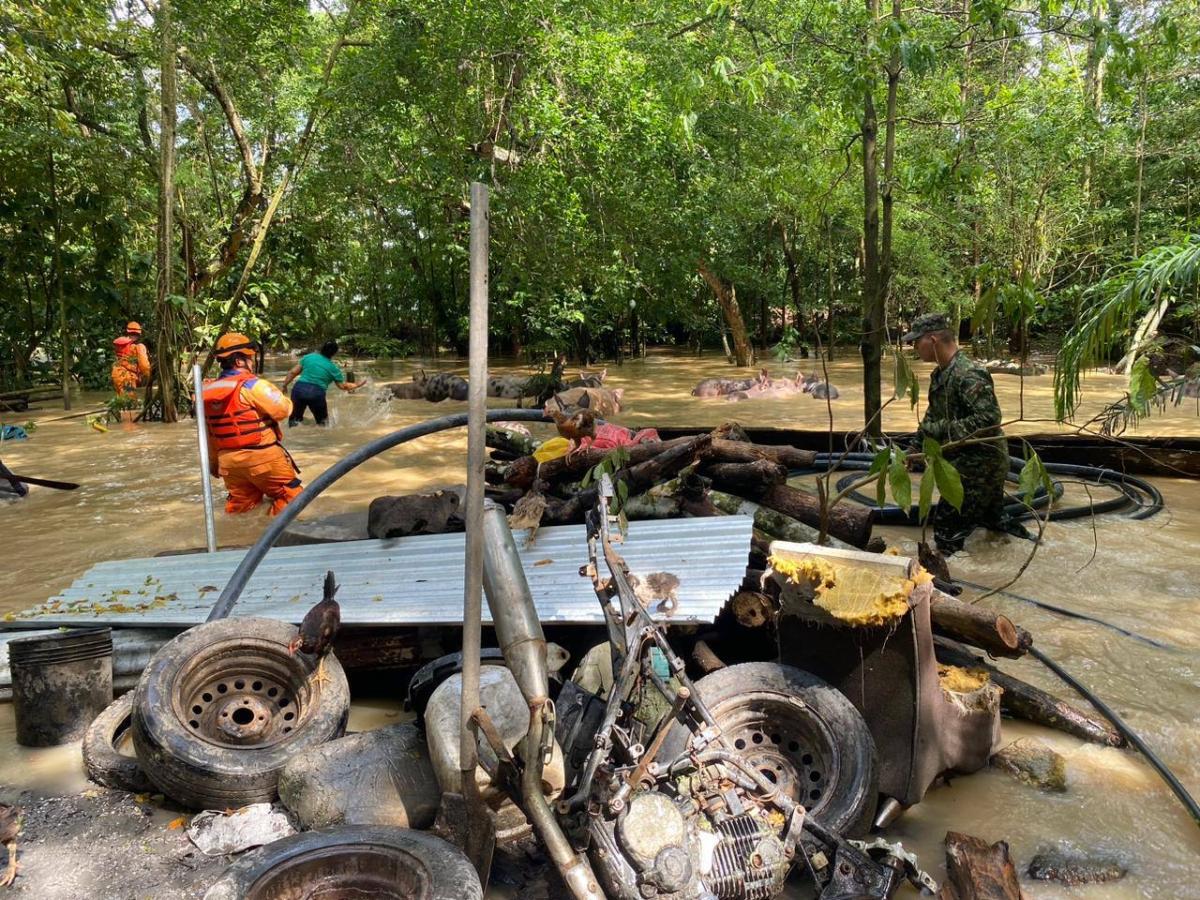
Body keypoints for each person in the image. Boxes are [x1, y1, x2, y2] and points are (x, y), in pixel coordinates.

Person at [903, 312, 1025, 554]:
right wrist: (915, 447)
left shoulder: (968, 373)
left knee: (947, 531)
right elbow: (932, 415)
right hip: (965, 463)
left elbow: (989, 420)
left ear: (933, 339)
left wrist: (941, 431)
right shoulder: (941, 374)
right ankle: (1017, 551)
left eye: (917, 341)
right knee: (993, 521)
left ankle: (952, 582)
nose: (914, 347)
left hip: (980, 466)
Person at [202, 333, 302, 516]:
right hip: (262, 459)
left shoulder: (207, 391)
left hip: (228, 463)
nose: (252, 362)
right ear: (240, 362)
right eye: (249, 358)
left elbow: (209, 435)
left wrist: (213, 463)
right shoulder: (252, 385)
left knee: (241, 507)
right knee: (293, 498)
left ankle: (240, 541)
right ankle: (274, 536)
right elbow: (283, 411)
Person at [280, 340, 366, 426]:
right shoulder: (333, 368)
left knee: (293, 422)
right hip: (316, 393)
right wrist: (358, 384)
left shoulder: (309, 357)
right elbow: (343, 386)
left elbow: (293, 372)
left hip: (299, 390)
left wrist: (284, 385)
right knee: (323, 425)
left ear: (322, 349)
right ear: (334, 353)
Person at [111, 321, 151, 397]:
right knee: (129, 401)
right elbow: (144, 365)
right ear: (139, 334)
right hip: (127, 377)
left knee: (121, 399)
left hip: (116, 374)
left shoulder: (120, 344)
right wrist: (149, 375)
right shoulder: (138, 347)